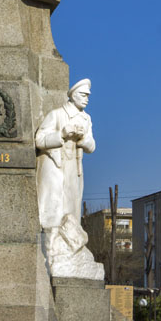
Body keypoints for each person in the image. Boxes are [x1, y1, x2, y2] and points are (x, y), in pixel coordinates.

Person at [35, 79, 96, 229]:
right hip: (55, 166)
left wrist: (83, 138)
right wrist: (61, 134)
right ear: (74, 95)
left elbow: (92, 146)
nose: (87, 99)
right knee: (53, 206)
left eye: (88, 96)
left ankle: (67, 239)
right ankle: (49, 238)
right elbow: (39, 140)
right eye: (83, 95)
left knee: (71, 207)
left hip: (74, 169)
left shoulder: (86, 119)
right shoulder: (56, 115)